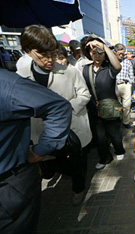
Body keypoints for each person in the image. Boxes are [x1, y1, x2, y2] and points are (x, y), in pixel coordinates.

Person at [17, 25, 92, 205]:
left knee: (77, 163)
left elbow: (84, 94)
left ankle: (78, 189)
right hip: (40, 133)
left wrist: (66, 107)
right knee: (48, 162)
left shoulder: (69, 71)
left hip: (72, 128)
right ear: (28, 51)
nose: (50, 60)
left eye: (53, 53)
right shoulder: (21, 76)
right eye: (43, 55)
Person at [0, 68, 71, 233]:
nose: (47, 59)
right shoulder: (21, 69)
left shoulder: (7, 83)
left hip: (8, 187)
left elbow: (58, 107)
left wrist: (43, 148)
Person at [82, 37, 125, 169]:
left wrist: (103, 46)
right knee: (100, 137)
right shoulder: (85, 69)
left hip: (110, 107)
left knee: (114, 133)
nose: (97, 55)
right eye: (94, 52)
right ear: (89, 53)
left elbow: (118, 65)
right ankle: (105, 158)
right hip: (94, 108)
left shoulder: (109, 69)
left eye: (100, 52)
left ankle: (119, 150)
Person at [113, 43, 134, 128]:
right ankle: (117, 121)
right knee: (117, 106)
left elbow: (131, 75)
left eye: (123, 54)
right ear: (115, 52)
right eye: (119, 54)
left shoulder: (128, 62)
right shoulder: (111, 62)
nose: (121, 55)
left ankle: (126, 122)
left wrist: (130, 84)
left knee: (127, 105)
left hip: (125, 86)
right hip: (115, 86)